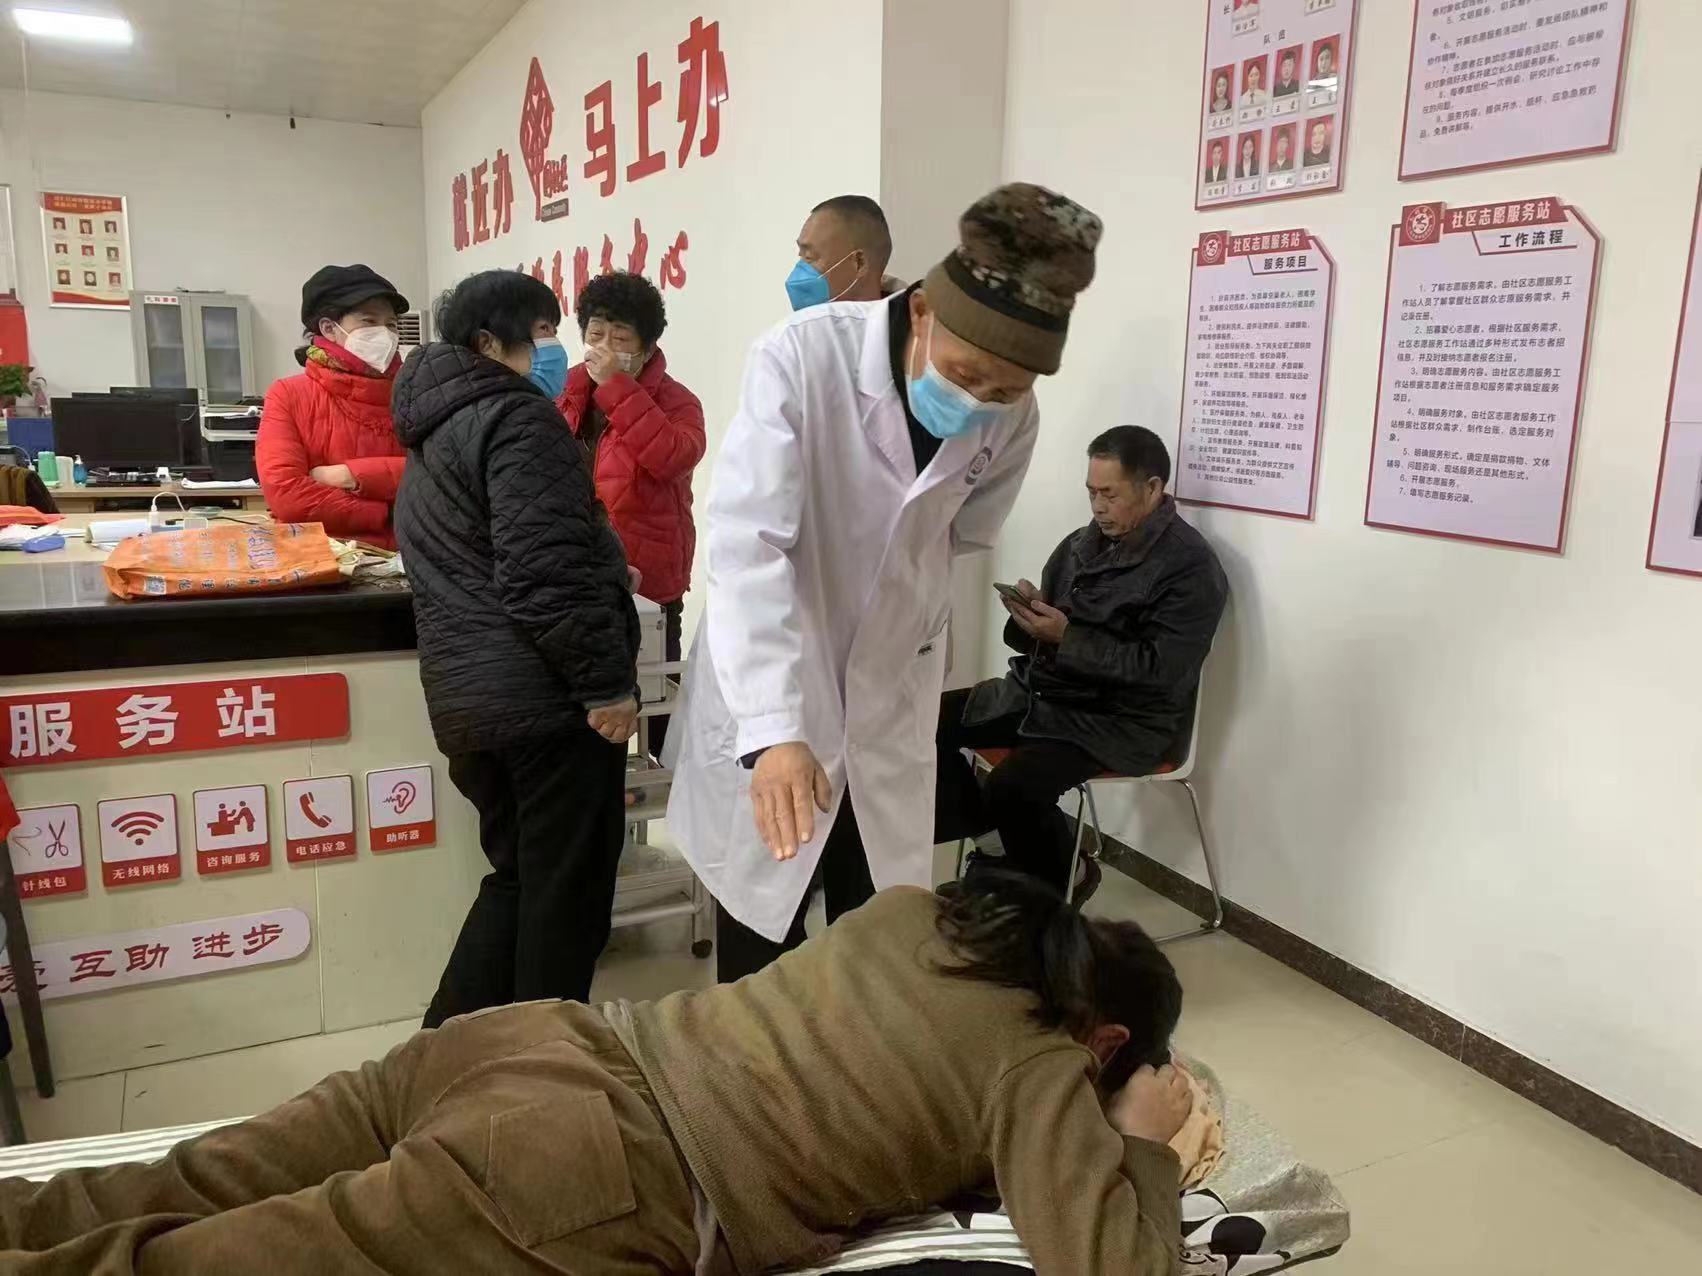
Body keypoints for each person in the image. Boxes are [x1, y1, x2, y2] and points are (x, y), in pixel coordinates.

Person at [0, 877, 1190, 1275]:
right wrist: (1142, 1135)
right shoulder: (1039, 1062)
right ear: (1102, 1039)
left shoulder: (917, 911)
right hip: (583, 1169)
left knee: (180, 1182)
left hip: (527, 1038)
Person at [668, 182, 1102, 982]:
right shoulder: (801, 357)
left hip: (891, 691)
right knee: (764, 938)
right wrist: (775, 728)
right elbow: (747, 546)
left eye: (1006, 390)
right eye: (966, 373)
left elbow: (962, 532)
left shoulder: (1016, 417)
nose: (979, 400)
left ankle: (861, 1061)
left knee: (879, 937)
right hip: (778, 678)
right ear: (923, 311)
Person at [392, 269, 640, 1028]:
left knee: (520, 882)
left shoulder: (434, 432)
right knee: (566, 903)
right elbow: (544, 575)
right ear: (487, 344)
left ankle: (443, 1056)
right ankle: (544, 1068)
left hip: (472, 706)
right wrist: (605, 686)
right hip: (546, 703)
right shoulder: (519, 419)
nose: (556, 351)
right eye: (540, 335)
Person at [937, 427, 1228, 897]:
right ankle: (997, 850)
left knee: (1013, 786)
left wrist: (1066, 637)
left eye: (1110, 495)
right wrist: (1032, 616)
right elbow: (1049, 635)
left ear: (1152, 488)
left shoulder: (1190, 568)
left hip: (1118, 721)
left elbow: (1162, 672)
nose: (1097, 507)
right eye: (1091, 493)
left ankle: (1060, 882)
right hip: (1043, 692)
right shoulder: (1081, 543)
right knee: (917, 727)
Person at [557, 270, 705, 756]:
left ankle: (669, 786)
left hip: (651, 585)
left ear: (647, 346)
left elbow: (672, 457)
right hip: (579, 581)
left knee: (657, 713)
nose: (603, 347)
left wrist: (619, 389)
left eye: (619, 338)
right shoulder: (566, 392)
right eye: (595, 334)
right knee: (589, 718)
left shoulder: (678, 402)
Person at [256, 264, 410, 546]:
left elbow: (441, 475)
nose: (385, 334)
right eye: (369, 321)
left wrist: (350, 475)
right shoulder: (288, 394)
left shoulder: (414, 392)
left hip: (411, 556)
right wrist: (387, 512)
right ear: (329, 328)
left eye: (391, 324)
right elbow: (288, 496)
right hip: (325, 558)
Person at [786, 194, 897, 309]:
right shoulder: (802, 322)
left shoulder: (905, 318)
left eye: (809, 257)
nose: (797, 277)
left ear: (860, 262)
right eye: (801, 256)